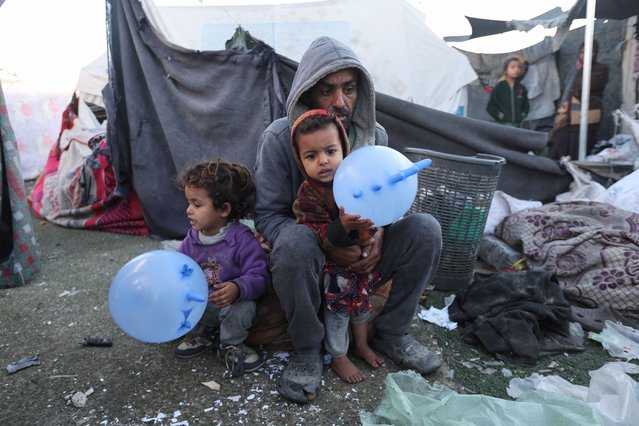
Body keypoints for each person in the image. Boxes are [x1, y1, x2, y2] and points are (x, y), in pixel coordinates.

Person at [254, 36, 443, 404]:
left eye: (350, 89)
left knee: (425, 229)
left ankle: (392, 333)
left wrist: (381, 237)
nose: (340, 102)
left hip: (363, 257)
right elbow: (268, 215)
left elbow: (390, 202)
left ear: (362, 92)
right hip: (312, 259)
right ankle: (308, 350)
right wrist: (326, 243)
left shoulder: (376, 138)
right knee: (292, 241)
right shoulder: (279, 138)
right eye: (327, 90)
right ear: (307, 93)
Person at [290, 109, 385, 384]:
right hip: (333, 270)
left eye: (331, 151)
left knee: (362, 307)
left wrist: (373, 235)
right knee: (338, 312)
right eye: (311, 156)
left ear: (344, 148)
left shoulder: (359, 180)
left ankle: (362, 344)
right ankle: (339, 354)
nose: (323, 161)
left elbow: (380, 210)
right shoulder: (308, 194)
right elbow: (312, 230)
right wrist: (340, 228)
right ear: (300, 160)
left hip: (363, 263)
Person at [173, 159, 270, 378]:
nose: (189, 210)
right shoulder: (192, 238)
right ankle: (203, 332)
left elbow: (260, 275)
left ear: (224, 209)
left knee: (243, 306)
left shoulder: (242, 239)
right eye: (189, 203)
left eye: (197, 205)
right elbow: (179, 267)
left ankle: (230, 344)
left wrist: (238, 287)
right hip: (203, 304)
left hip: (229, 305)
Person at [549, 40, 609, 160]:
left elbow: (587, 86)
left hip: (589, 112)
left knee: (581, 141)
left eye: (589, 52)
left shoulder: (602, 69)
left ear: (595, 53)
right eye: (582, 52)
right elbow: (570, 89)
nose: (584, 55)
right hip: (572, 113)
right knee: (563, 137)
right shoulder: (576, 70)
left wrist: (582, 70)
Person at [486, 57, 529, 128]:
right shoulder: (500, 87)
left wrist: (522, 115)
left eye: (518, 67)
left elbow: (526, 105)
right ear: (506, 70)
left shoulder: (521, 88)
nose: (516, 69)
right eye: (513, 67)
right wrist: (500, 115)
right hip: (501, 125)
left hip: (518, 125)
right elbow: (490, 106)